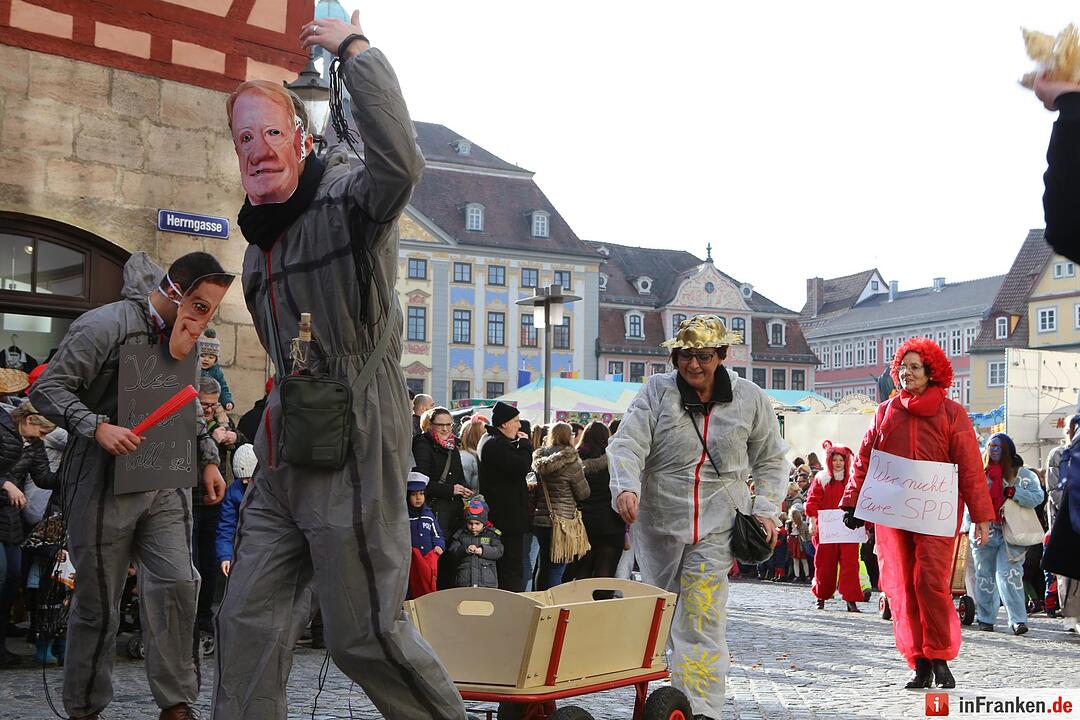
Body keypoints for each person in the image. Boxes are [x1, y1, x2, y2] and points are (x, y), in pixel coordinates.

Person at [211, 12, 467, 719]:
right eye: (244, 139)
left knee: (362, 636)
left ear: (299, 138)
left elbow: (402, 165)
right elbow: (285, 357)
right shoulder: (258, 243)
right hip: (287, 454)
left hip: (355, 440)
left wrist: (356, 53)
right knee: (245, 623)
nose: (258, 150)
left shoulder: (348, 197)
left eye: (271, 133)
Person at [29, 250, 229, 720]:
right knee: (98, 602)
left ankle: (177, 702)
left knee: (180, 585)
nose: (202, 320)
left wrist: (206, 459)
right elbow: (47, 388)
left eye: (211, 310)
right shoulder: (104, 325)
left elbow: (189, 401)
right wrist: (96, 425)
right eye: (199, 306)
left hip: (165, 480)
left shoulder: (190, 341)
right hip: (101, 483)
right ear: (176, 290)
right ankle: (84, 706)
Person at [608, 315, 787, 720]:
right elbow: (627, 445)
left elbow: (771, 459)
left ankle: (700, 709)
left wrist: (766, 511)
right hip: (659, 523)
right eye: (686, 356)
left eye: (703, 356)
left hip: (717, 525)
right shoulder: (655, 392)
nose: (694, 365)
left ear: (721, 356)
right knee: (664, 613)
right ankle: (672, 691)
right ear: (675, 356)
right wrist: (625, 487)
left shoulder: (749, 398)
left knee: (702, 616)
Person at [841, 338, 991, 690]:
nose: (906, 373)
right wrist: (852, 501)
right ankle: (919, 661)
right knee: (903, 587)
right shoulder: (885, 411)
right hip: (895, 515)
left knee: (931, 583)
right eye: (902, 367)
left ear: (931, 372)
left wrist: (981, 514)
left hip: (935, 513)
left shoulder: (953, 414)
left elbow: (971, 468)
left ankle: (939, 657)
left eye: (914, 367)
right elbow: (865, 459)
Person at [970, 433, 1045, 635]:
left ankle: (1018, 620)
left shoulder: (1023, 475)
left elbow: (1038, 497)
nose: (994, 449)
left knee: (1009, 575)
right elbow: (970, 499)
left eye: (998, 446)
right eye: (990, 445)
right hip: (984, 529)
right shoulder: (978, 473)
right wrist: (970, 524)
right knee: (984, 576)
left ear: (1008, 449)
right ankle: (985, 618)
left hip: (1011, 532)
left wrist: (1015, 493)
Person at [0, 402, 56, 666]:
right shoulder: (4, 430)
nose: (44, 438)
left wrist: (74, 476)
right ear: (31, 420)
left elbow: (44, 477)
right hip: (6, 506)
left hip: (8, 517)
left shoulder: (33, 445)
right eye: (43, 432)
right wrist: (6, 484)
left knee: (12, 578)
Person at [195, 376, 243, 636]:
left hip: (217, 503)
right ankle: (190, 617)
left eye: (213, 405)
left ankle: (204, 616)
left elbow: (245, 448)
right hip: (192, 498)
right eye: (204, 404)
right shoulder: (193, 423)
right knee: (191, 562)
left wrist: (234, 437)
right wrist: (211, 440)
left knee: (211, 563)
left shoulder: (223, 421)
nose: (209, 409)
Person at [412, 406, 471, 588]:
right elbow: (420, 483)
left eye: (449, 425)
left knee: (449, 563)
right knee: (435, 565)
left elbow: (459, 476)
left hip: (452, 513)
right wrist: (451, 490)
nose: (445, 429)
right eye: (440, 425)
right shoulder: (422, 445)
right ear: (429, 426)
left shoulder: (452, 445)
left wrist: (464, 489)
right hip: (433, 513)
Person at [477, 401, 533, 592]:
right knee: (510, 569)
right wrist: (525, 445)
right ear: (504, 424)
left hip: (504, 516)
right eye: (516, 421)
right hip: (507, 519)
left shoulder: (492, 441)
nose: (519, 425)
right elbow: (520, 467)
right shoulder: (495, 444)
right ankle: (511, 608)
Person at [530, 422, 590, 590]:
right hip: (562, 523)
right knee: (557, 568)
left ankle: (538, 601)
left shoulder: (539, 458)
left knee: (543, 565)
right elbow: (583, 493)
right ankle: (552, 606)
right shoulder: (571, 462)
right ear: (568, 436)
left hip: (541, 519)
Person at [805, 441, 864, 611]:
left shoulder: (853, 480)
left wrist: (864, 525)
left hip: (848, 529)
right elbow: (813, 502)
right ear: (829, 461)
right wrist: (813, 521)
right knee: (824, 564)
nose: (838, 463)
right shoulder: (821, 479)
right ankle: (821, 596)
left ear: (846, 461)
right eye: (835, 459)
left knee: (851, 565)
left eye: (841, 460)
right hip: (827, 530)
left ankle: (850, 600)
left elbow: (861, 502)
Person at [574, 421, 625, 580]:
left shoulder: (575, 461)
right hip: (610, 523)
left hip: (583, 524)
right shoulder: (614, 463)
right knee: (605, 572)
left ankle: (581, 603)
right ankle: (602, 603)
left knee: (582, 570)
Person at [216, 444, 257, 579]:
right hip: (244, 548)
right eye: (242, 478)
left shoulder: (271, 489)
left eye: (249, 478)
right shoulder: (234, 492)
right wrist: (225, 556)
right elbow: (226, 526)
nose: (245, 481)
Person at [447, 498, 503, 588]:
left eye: (477, 523)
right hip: (465, 581)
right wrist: (465, 550)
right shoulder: (461, 534)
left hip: (487, 582)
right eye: (470, 523)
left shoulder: (492, 534)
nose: (473, 527)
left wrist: (482, 551)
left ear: (484, 523)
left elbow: (499, 551)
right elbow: (453, 550)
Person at [407, 472, 444, 598]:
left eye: (421, 494)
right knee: (411, 587)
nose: (418, 498)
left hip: (427, 560)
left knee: (427, 587)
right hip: (410, 561)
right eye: (413, 494)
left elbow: (437, 533)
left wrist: (439, 545)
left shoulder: (428, 515)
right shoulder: (404, 517)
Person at [198, 330, 234, 411]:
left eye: (211, 357)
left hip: (211, 403)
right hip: (196, 402)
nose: (206, 359)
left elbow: (223, 388)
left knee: (221, 416)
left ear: (215, 360)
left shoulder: (216, 372)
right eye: (203, 355)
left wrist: (227, 401)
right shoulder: (193, 369)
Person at [458, 419, 483, 494]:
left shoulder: (478, 455)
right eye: (483, 433)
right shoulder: (466, 458)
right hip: (473, 503)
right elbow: (463, 488)